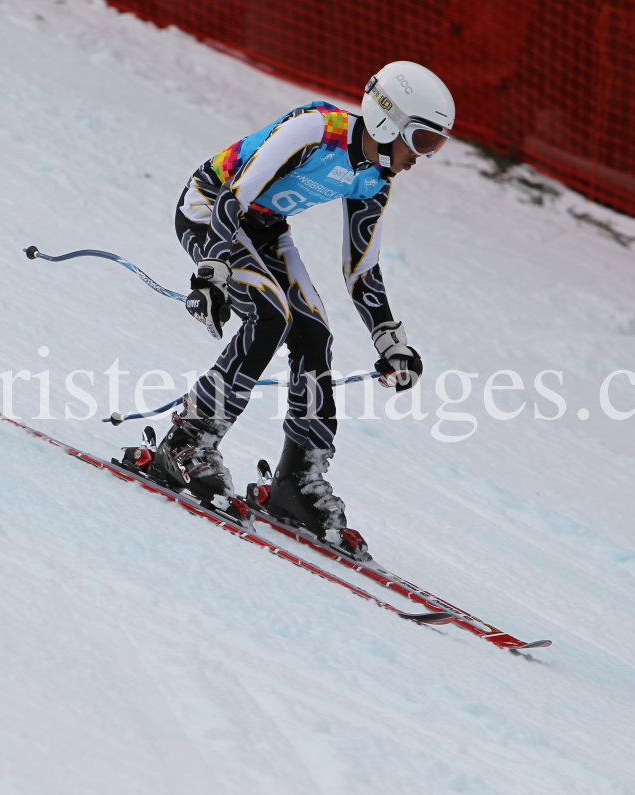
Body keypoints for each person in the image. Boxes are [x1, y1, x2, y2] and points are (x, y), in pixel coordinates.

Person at [148, 61, 455, 551]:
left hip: (265, 230)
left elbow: (361, 270)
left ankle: (295, 480)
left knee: (313, 332)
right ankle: (187, 442)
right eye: (422, 141)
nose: (423, 157)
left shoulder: (375, 178)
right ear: (389, 120)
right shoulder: (315, 130)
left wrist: (390, 341)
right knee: (272, 316)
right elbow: (232, 199)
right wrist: (211, 274)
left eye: (435, 147)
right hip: (211, 213)